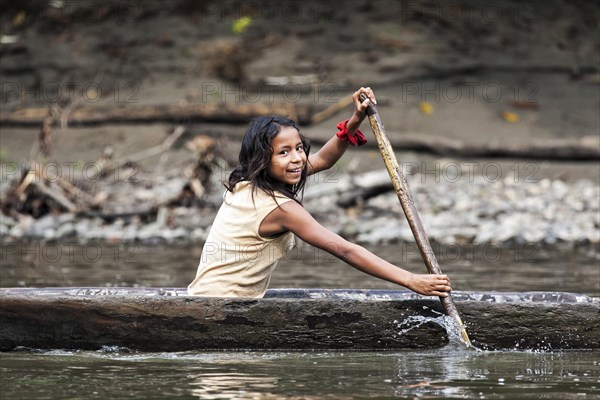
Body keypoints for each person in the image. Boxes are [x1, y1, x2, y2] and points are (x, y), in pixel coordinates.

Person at [187, 87, 451, 298]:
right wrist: (410, 280)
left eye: (299, 148)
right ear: (261, 160)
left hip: (205, 296)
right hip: (222, 304)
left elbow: (323, 159)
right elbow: (344, 250)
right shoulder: (280, 209)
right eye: (283, 152)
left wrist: (355, 119)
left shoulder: (247, 182)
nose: (297, 159)